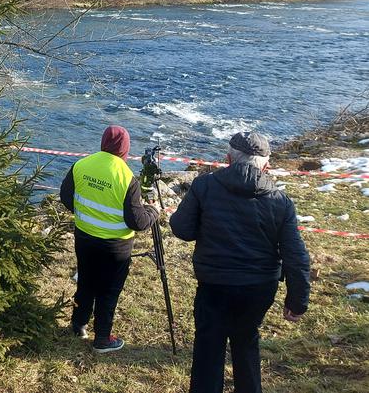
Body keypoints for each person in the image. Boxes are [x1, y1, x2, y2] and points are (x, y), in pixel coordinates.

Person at [170, 131, 310, 393]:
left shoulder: (204, 186)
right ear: (266, 165)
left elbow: (182, 229)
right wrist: (297, 300)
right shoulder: (280, 201)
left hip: (214, 284)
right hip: (258, 288)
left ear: (228, 159)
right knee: (246, 341)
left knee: (208, 347)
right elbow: (296, 254)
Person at [59, 125, 160, 353]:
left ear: (103, 142)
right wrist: (153, 212)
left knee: (85, 281)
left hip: (84, 237)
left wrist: (87, 213)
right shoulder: (126, 177)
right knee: (108, 291)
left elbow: (66, 197)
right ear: (125, 148)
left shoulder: (81, 164)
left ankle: (79, 323)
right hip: (115, 245)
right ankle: (102, 338)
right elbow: (137, 221)